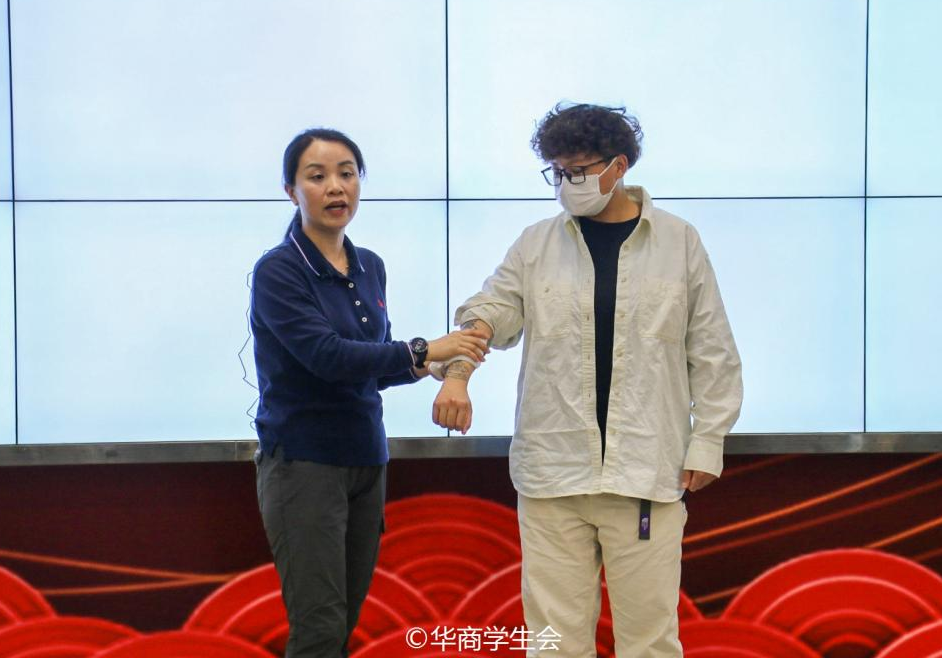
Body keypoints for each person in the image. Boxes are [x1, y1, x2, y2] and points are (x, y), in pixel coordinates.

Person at [431, 104, 742, 657]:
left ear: (619, 166)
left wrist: (708, 439)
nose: (566, 184)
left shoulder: (678, 241)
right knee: (553, 643)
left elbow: (712, 349)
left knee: (649, 641)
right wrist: (457, 375)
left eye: (578, 171)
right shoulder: (535, 244)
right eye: (557, 172)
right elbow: (490, 312)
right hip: (553, 474)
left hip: (646, 470)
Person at [250, 127, 490, 658]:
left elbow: (372, 366)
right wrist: (424, 348)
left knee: (345, 621)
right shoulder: (278, 271)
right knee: (319, 626)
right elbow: (328, 357)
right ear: (291, 191)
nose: (336, 187)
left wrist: (425, 367)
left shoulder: (370, 265)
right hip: (303, 465)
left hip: (366, 459)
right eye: (317, 177)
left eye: (347, 174)